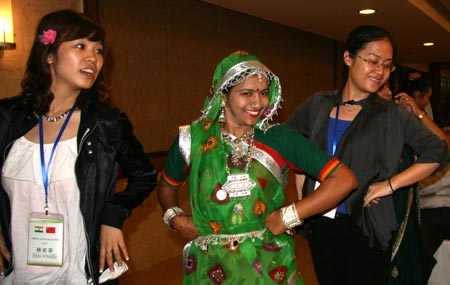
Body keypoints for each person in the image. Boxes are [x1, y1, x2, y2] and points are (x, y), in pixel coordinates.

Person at [157, 51, 357, 284]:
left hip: (269, 268)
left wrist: (289, 216)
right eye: (246, 93)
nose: (258, 102)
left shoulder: (278, 138)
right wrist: (175, 218)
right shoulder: (191, 140)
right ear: (223, 95)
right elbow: (166, 185)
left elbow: (344, 180)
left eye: (263, 93)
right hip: (209, 268)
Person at [0, 9, 157, 284]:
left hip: (81, 272)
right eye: (80, 46)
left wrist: (113, 215)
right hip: (18, 270)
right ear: (49, 54)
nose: (92, 58)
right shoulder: (7, 117)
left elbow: (144, 176)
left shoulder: (106, 123)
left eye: (98, 51)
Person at [286, 25, 449, 285]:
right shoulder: (319, 103)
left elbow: (437, 150)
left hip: (367, 222)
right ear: (349, 58)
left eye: (387, 65)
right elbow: (287, 140)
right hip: (322, 221)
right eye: (373, 61)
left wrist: (390, 184)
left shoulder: (390, 114)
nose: (380, 72)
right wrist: (302, 184)